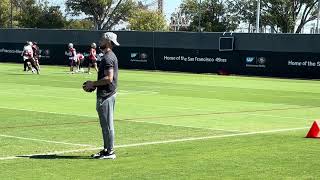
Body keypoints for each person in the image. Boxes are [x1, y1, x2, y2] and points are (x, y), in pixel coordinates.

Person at [83, 32, 120, 159]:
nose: (100, 41)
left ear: (108, 42)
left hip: (107, 95)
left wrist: (93, 83)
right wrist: (95, 86)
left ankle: (110, 152)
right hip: (105, 94)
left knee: (108, 125)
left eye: (103, 39)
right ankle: (106, 150)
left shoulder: (108, 57)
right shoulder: (107, 56)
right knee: (105, 125)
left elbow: (109, 78)